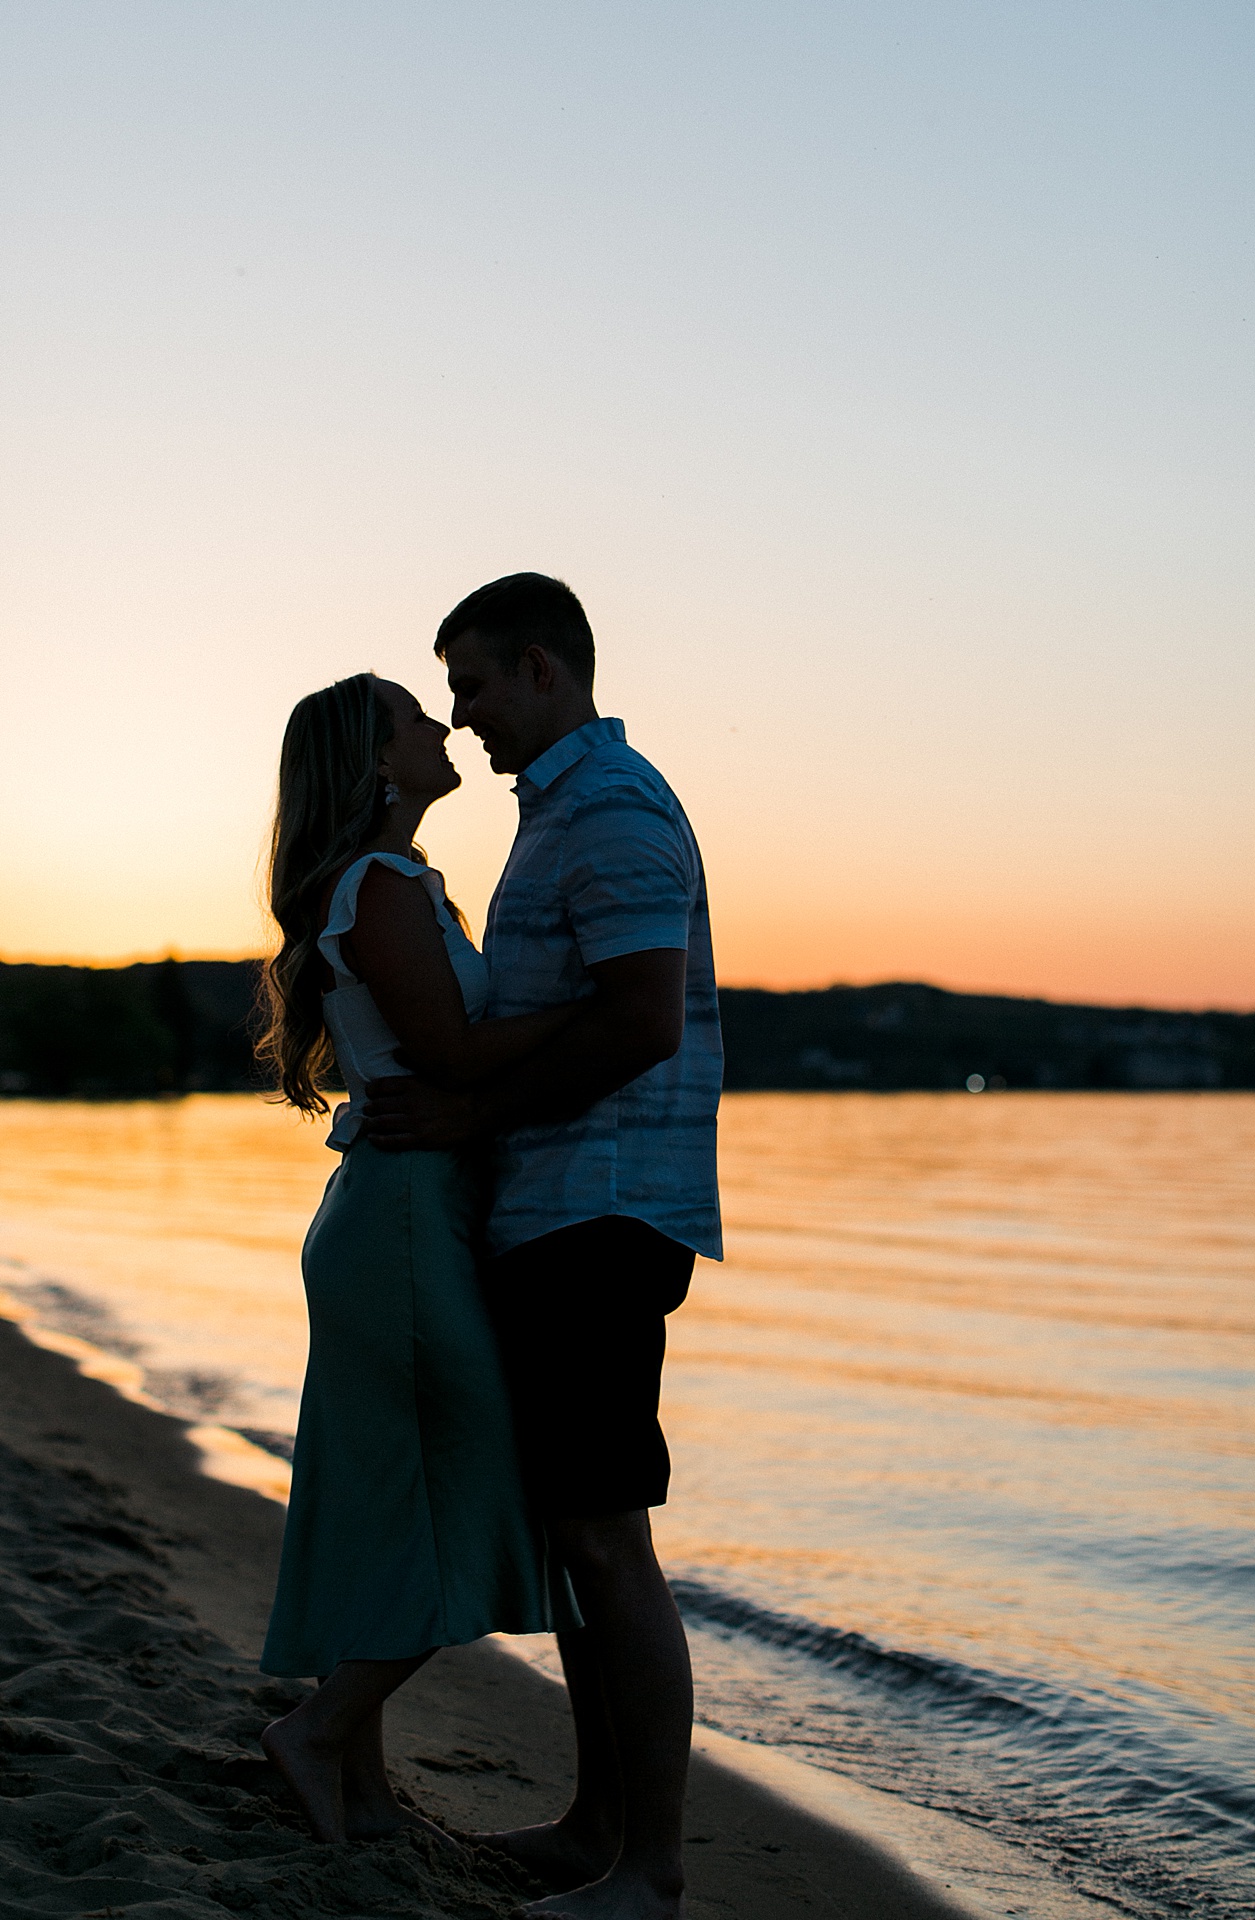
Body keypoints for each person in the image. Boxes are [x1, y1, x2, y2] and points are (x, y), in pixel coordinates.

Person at [364, 574, 723, 1920]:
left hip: (604, 1212)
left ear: (539, 669)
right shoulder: (565, 811)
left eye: (469, 686)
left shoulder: (615, 811)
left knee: (602, 1530)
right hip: (555, 1207)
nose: (461, 716)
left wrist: (468, 1107)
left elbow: (641, 1019)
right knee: (579, 1530)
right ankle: (595, 1827)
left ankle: (653, 1869)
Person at [255, 671, 577, 1847]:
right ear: (376, 763)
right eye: (412, 718)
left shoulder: (395, 884)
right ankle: (319, 1730)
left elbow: (453, 1053)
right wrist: (610, 1012)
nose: (440, 729)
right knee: (473, 1484)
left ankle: (364, 1785)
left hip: (403, 1213)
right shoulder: (381, 886)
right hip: (399, 1220)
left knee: (388, 1499)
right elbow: (450, 1051)